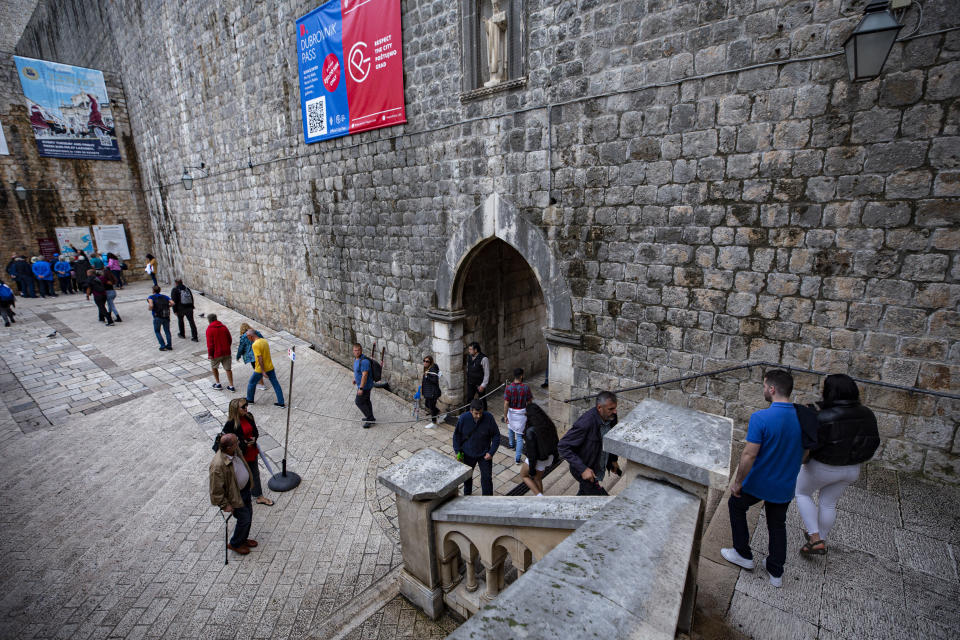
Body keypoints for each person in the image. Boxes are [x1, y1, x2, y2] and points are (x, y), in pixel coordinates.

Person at [722, 370, 807, 589]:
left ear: (771, 389)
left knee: (735, 504)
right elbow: (806, 453)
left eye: (764, 386)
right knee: (777, 524)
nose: (763, 390)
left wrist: (738, 482)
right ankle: (776, 572)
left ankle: (742, 553)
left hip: (760, 482)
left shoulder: (761, 418)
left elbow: (749, 454)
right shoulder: (802, 418)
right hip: (785, 484)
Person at [795, 374, 880, 556]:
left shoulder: (823, 417)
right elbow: (873, 441)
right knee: (828, 503)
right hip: (852, 468)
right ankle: (820, 540)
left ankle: (815, 537)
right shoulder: (867, 413)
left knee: (802, 493)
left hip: (824, 466)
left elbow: (811, 443)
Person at [558, 391, 620, 496]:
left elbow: (611, 439)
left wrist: (613, 460)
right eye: (611, 409)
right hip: (584, 470)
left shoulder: (612, 417)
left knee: (584, 494)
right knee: (602, 500)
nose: (615, 411)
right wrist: (583, 469)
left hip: (595, 468)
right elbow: (563, 446)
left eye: (615, 408)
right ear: (600, 408)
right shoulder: (586, 423)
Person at [209, 432, 257, 555]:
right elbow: (216, 490)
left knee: (248, 516)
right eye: (236, 442)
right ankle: (235, 543)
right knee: (244, 519)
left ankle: (243, 539)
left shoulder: (234, 451)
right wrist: (224, 505)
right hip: (236, 496)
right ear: (229, 447)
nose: (239, 443)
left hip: (245, 490)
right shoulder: (217, 466)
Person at [221, 398, 274, 506]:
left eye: (246, 405)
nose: (246, 408)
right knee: (241, 476)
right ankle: (239, 497)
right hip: (240, 455)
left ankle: (258, 496)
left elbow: (255, 431)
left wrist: (254, 438)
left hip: (251, 451)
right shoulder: (230, 424)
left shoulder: (249, 416)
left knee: (255, 474)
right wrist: (243, 443)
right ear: (235, 409)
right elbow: (226, 442)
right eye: (243, 406)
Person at [453, 399, 501, 496]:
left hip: (484, 454)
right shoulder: (463, 418)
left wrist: (491, 452)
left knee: (487, 478)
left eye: (480, 413)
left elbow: (496, 435)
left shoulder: (489, 418)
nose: (478, 416)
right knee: (467, 477)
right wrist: (457, 451)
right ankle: (467, 495)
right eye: (476, 413)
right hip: (467, 453)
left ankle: (487, 499)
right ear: (471, 411)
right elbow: (457, 435)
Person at [520, 402, 559, 496]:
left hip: (538, 459)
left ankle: (540, 496)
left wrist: (532, 469)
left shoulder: (530, 431)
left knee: (524, 475)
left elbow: (532, 453)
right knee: (538, 478)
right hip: (549, 457)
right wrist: (556, 457)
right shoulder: (548, 424)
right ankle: (540, 497)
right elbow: (556, 441)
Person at [245, 329, 285, 407]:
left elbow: (260, 358)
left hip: (260, 369)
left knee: (251, 382)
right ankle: (281, 402)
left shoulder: (255, 345)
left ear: (250, 336)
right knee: (275, 384)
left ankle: (250, 399)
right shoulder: (264, 341)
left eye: (247, 337)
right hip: (270, 367)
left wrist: (263, 371)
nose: (248, 338)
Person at [502, 367, 533, 464]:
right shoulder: (526, 388)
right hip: (521, 415)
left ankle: (511, 445)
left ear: (514, 376)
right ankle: (517, 459)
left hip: (511, 413)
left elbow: (506, 403)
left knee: (511, 429)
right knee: (519, 437)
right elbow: (529, 402)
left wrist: (505, 415)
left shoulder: (508, 388)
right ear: (522, 376)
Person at [206, 313, 235, 391]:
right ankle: (231, 386)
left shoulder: (209, 329)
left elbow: (210, 344)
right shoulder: (224, 327)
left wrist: (210, 354)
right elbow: (230, 339)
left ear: (209, 320)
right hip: (226, 352)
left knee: (214, 367)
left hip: (216, 353)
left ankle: (218, 384)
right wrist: (227, 347)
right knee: (228, 369)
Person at [236, 322, 266, 390]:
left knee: (257, 369)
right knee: (259, 367)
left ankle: (262, 384)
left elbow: (241, 348)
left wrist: (238, 356)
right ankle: (261, 381)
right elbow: (262, 340)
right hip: (260, 352)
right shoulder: (256, 333)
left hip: (252, 356)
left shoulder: (243, 337)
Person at [352, 343, 375, 428]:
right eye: (355, 350)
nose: (356, 352)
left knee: (359, 402)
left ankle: (370, 419)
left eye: (358, 350)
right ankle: (371, 417)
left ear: (361, 350)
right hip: (363, 385)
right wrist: (356, 379)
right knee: (366, 401)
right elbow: (359, 372)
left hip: (365, 386)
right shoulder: (357, 359)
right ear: (353, 351)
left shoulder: (364, 361)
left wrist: (361, 388)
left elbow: (365, 375)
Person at [465, 342, 490, 410]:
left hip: (479, 384)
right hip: (470, 383)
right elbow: (468, 368)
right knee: (469, 399)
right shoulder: (469, 357)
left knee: (482, 400)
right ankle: (468, 415)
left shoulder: (484, 359)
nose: (469, 351)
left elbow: (487, 373)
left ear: (475, 350)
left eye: (470, 349)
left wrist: (483, 385)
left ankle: (485, 414)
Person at [147, 285, 173, 350]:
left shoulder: (151, 297)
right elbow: (172, 303)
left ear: (153, 291)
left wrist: (150, 308)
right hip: (166, 316)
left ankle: (162, 346)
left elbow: (151, 305)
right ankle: (169, 346)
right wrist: (167, 306)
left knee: (157, 331)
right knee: (167, 331)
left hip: (157, 317)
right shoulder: (165, 296)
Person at [421, 355, 441, 426]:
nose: (425, 363)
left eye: (427, 361)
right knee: (427, 404)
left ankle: (434, 422)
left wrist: (427, 376)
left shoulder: (432, 370)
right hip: (428, 392)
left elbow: (435, 380)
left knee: (432, 407)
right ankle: (439, 413)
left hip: (433, 392)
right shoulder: (427, 369)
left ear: (430, 362)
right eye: (424, 361)